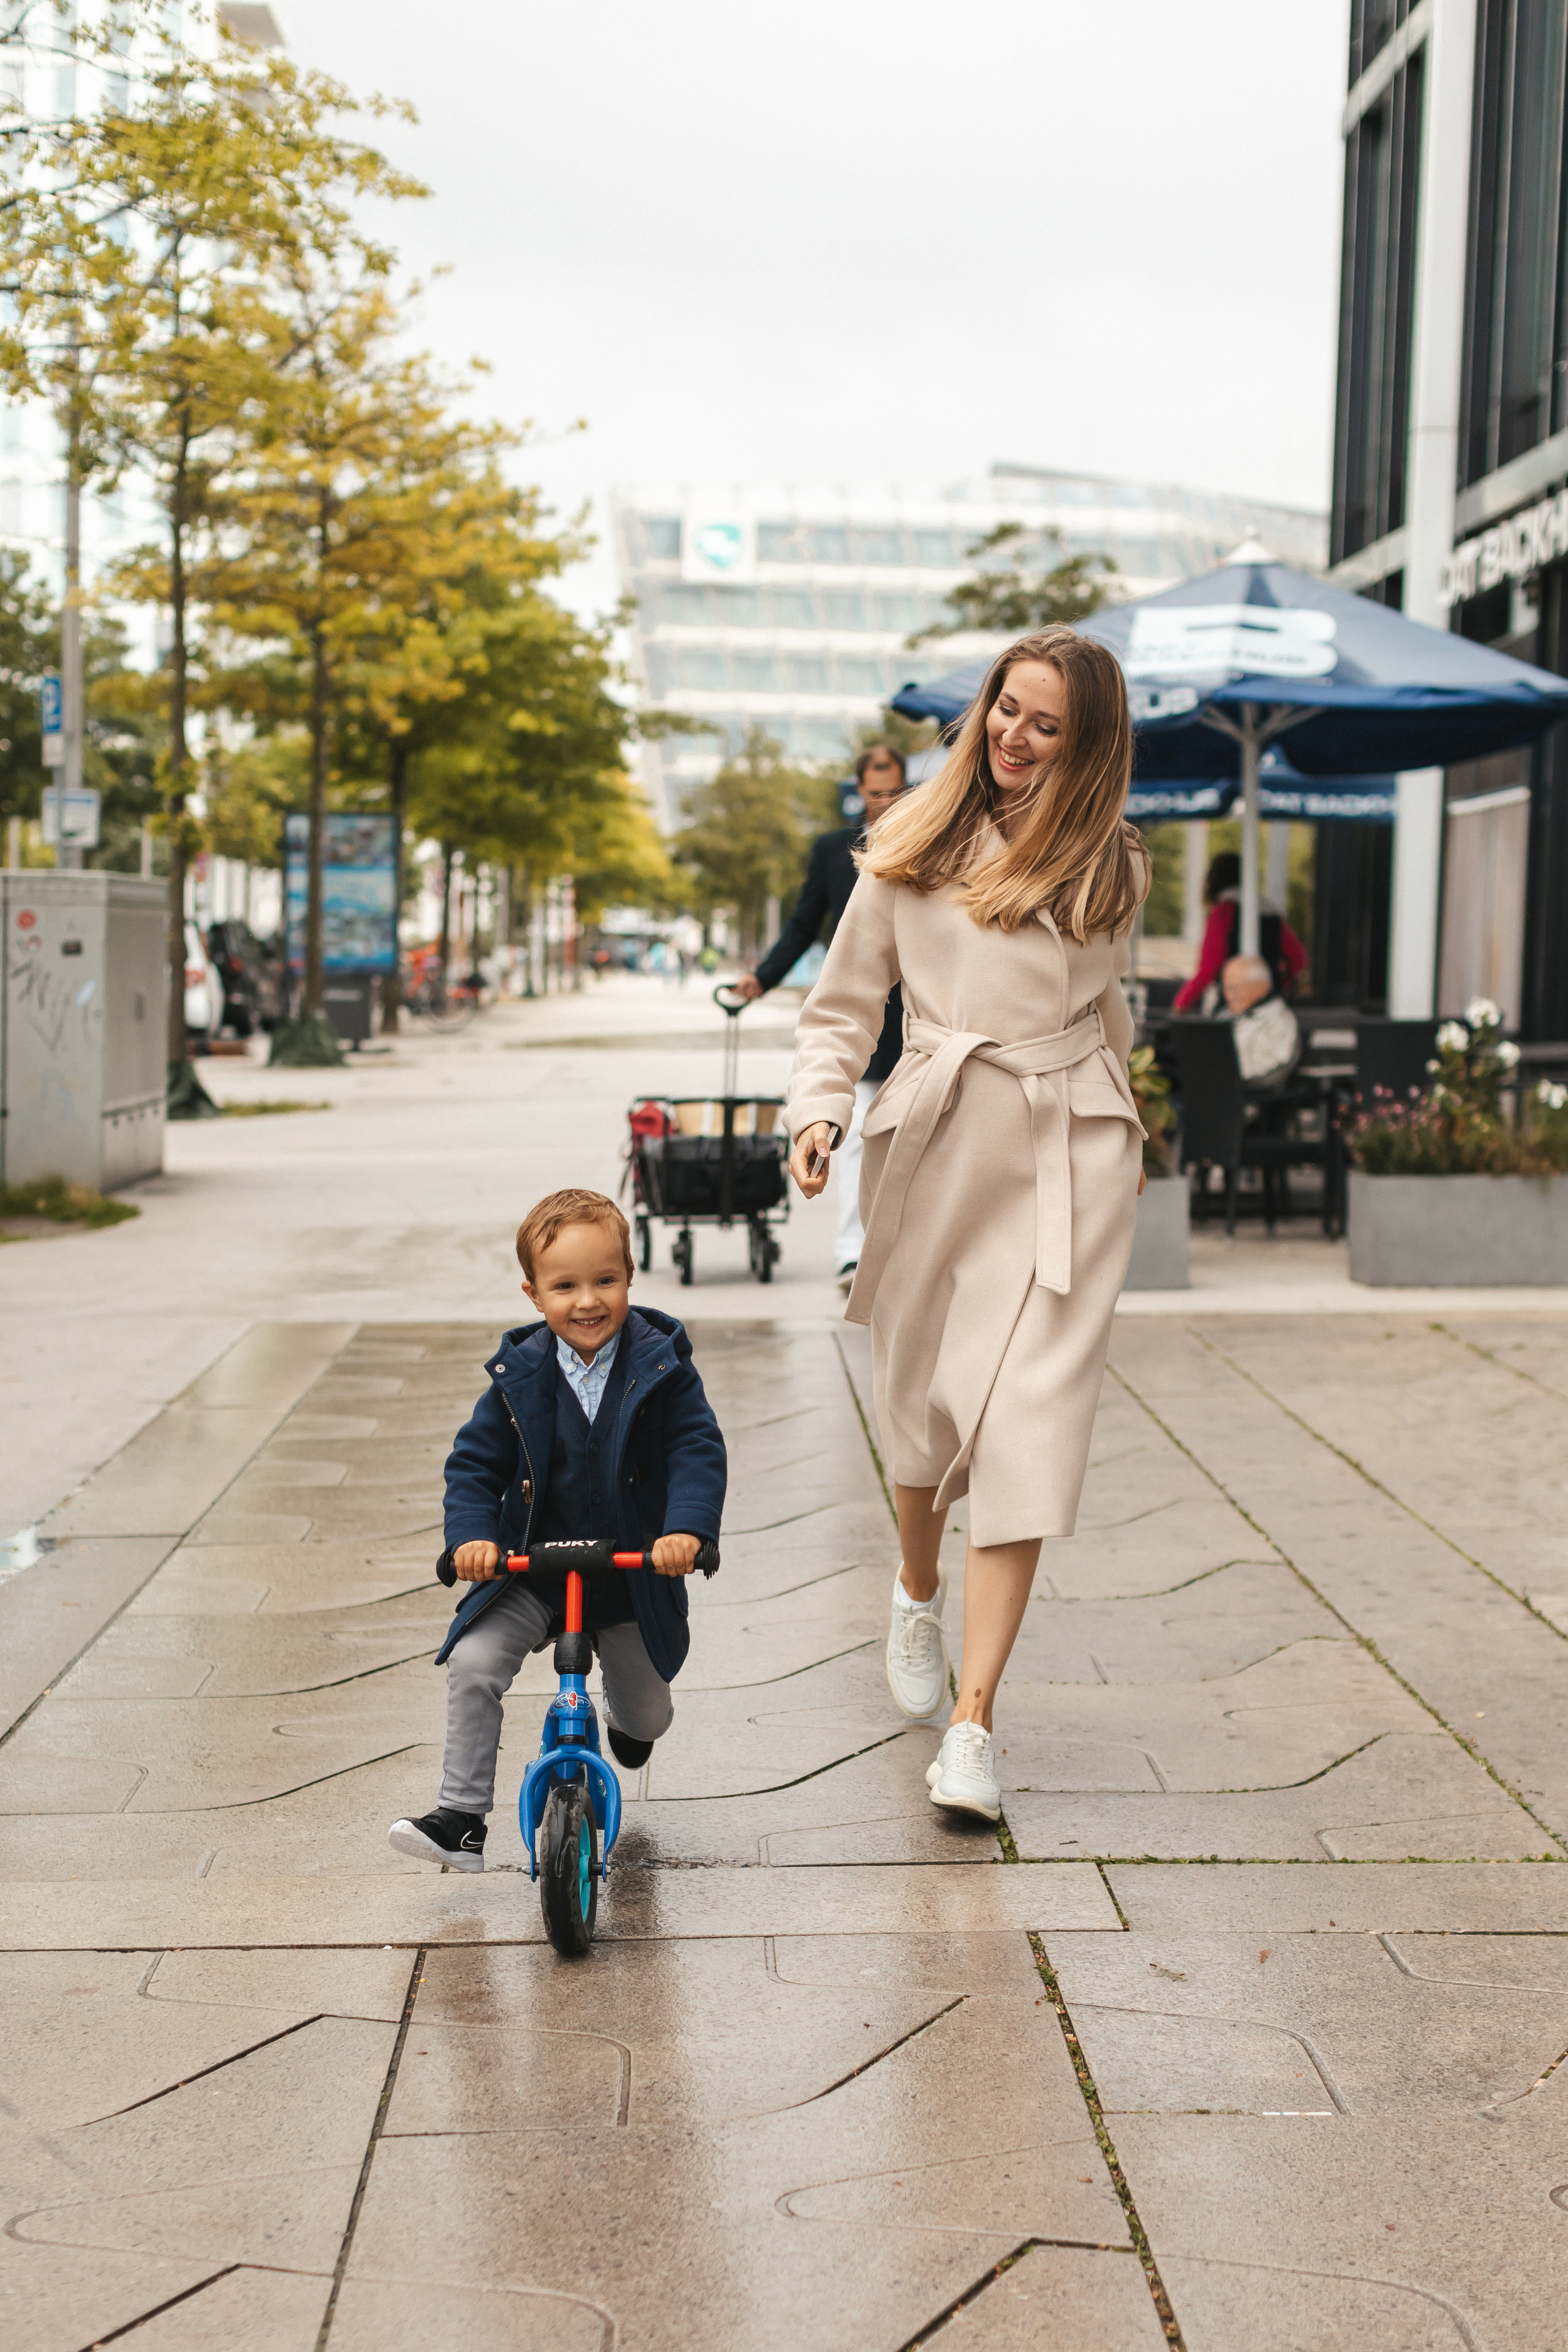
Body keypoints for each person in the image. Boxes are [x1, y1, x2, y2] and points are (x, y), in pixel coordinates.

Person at [786, 629, 1148, 1823]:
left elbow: (1104, 1018)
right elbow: (841, 1006)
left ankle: (973, 1724)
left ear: (1084, 745)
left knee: (1026, 1431)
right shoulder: (907, 846)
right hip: (939, 1145)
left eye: (1045, 725)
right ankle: (913, 1582)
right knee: (920, 1416)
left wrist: (1127, 1130)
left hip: (1065, 1158)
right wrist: (816, 1113)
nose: (1013, 736)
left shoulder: (1110, 868)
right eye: (1005, 709)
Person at [388, 1188, 726, 1872]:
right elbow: (474, 1464)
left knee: (648, 1716)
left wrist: (685, 1531)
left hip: (631, 1573)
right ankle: (461, 1817)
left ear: (630, 1276)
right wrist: (473, 1540)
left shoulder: (662, 1367)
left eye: (605, 1280)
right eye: (565, 1286)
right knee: (474, 1662)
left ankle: (629, 1729)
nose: (588, 1301)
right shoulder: (522, 1375)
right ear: (534, 1294)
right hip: (532, 1569)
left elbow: (696, 1448)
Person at [736, 743, 908, 1290]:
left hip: (924, 1014)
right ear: (858, 790)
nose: (885, 800)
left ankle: (904, 1252)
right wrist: (762, 977)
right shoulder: (834, 850)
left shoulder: (931, 841)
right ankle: (852, 1254)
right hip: (863, 1007)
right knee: (855, 1137)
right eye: (876, 791)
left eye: (894, 789)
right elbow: (805, 923)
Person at [1174, 850, 1307, 1012]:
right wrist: (1277, 983)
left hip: (1233, 1007)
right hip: (1269, 1005)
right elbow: (1298, 958)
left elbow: (1210, 966)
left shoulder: (1223, 911)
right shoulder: (1270, 911)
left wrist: (1182, 1003)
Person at [1221, 952, 1301, 1090]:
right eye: (1226, 988)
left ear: (1261, 987)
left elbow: (1271, 1069)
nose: (1229, 995)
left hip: (1249, 1094)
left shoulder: (1279, 1021)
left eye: (1235, 988)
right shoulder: (1226, 1015)